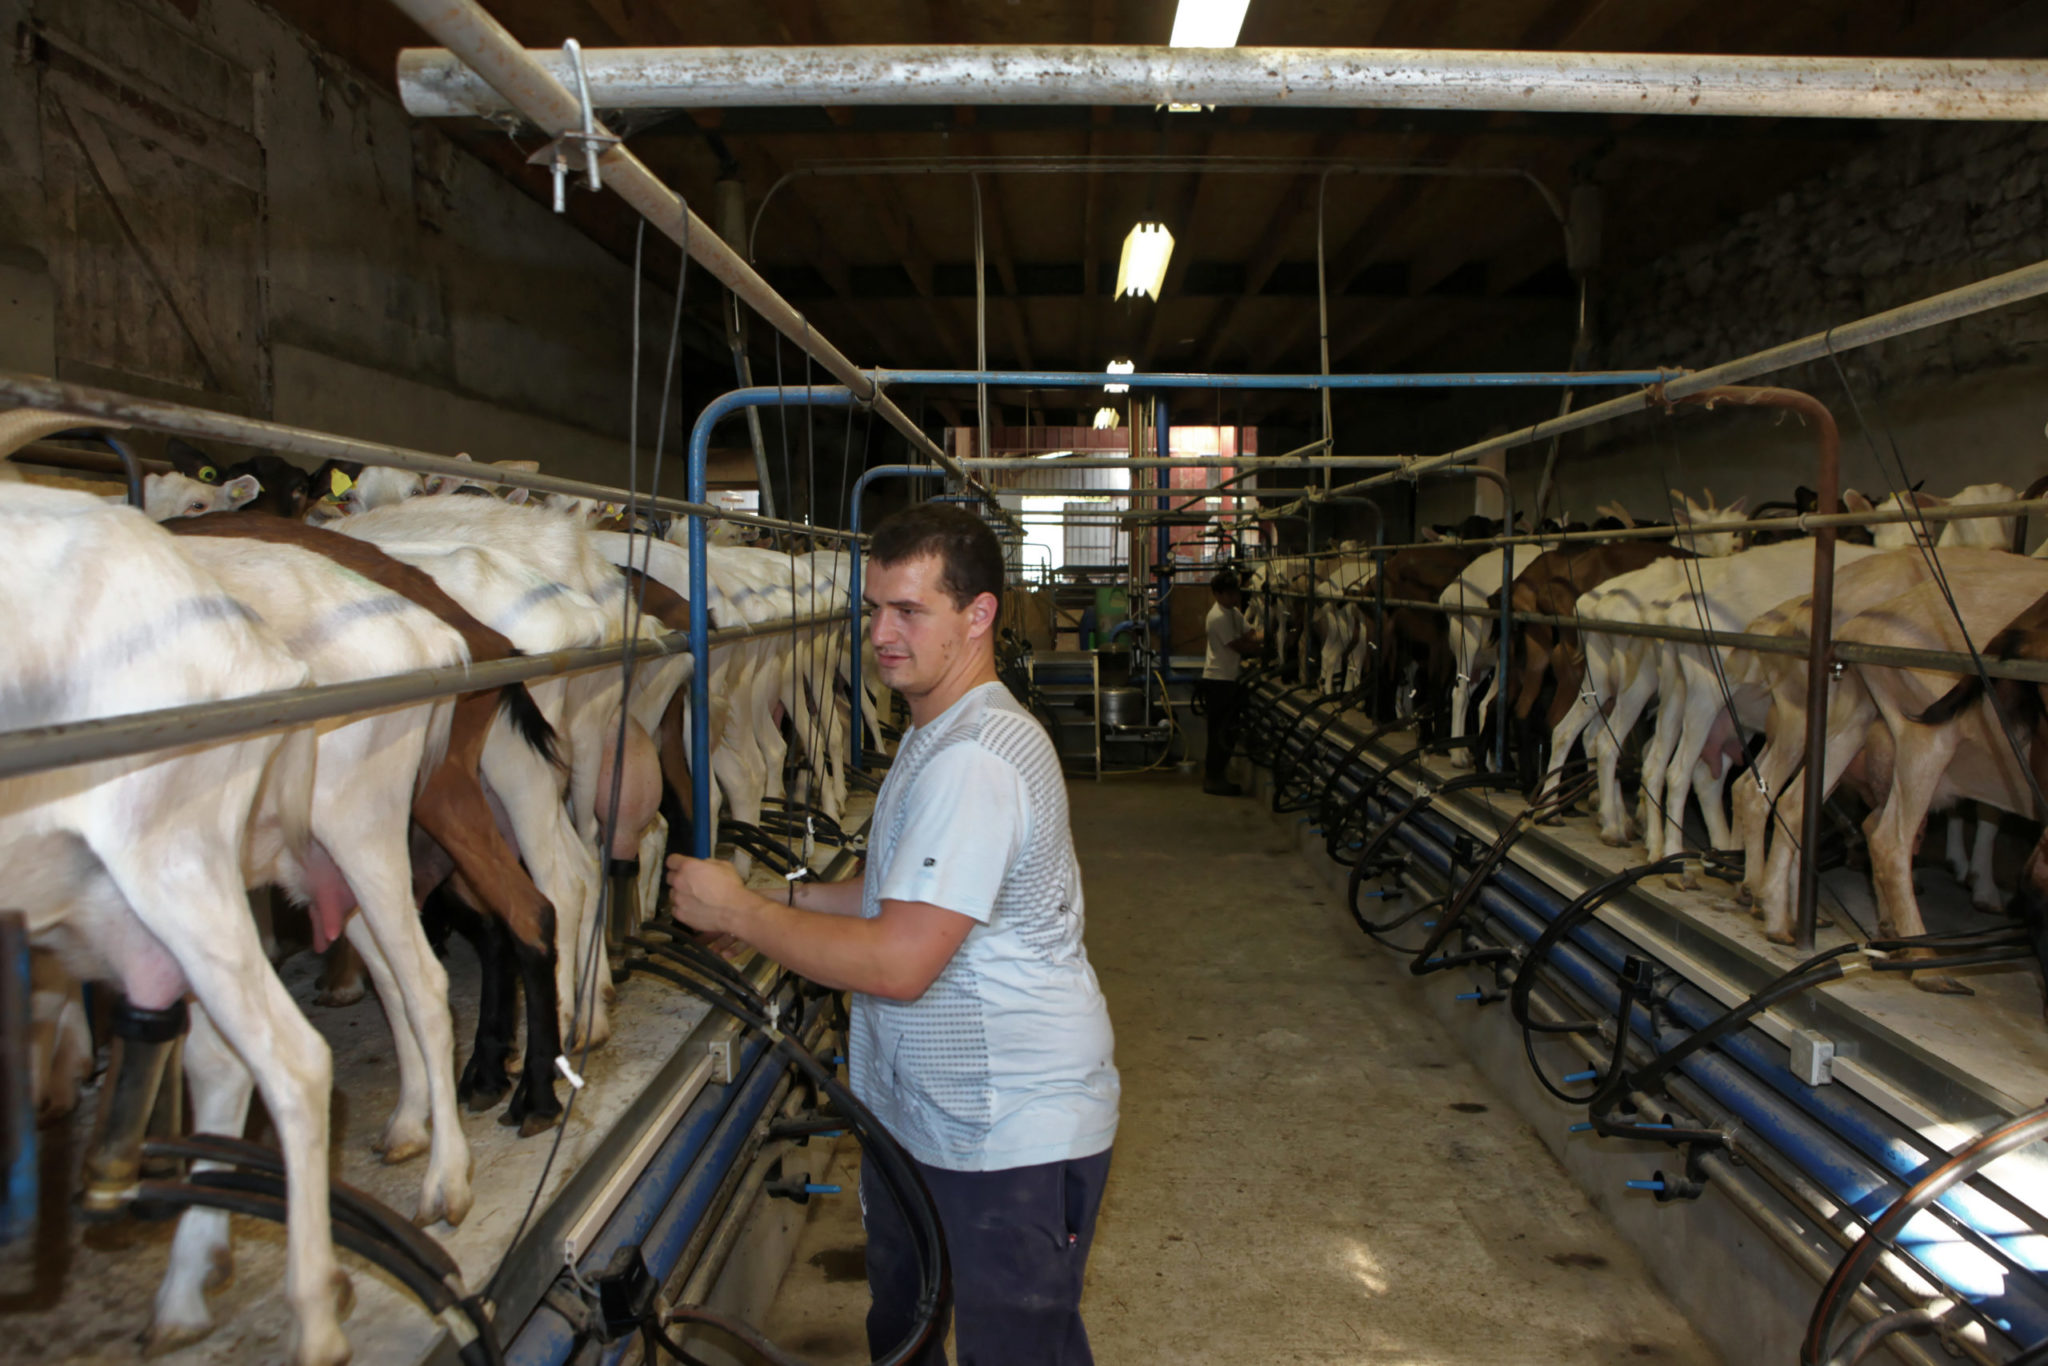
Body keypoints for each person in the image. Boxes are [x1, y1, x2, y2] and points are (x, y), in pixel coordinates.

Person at [666, 501, 1120, 1366]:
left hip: (1007, 1130)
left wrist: (740, 913)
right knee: (905, 1330)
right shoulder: (931, 730)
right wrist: (773, 895)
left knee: (1014, 1349)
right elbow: (892, 894)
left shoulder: (975, 760)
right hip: (927, 1117)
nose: (881, 633)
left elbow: (902, 960)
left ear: (978, 615)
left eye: (909, 611)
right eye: (873, 609)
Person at [1200, 570, 1263, 796]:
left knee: (1226, 732)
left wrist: (1268, 635)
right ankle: (1213, 779)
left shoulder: (1233, 612)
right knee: (1219, 733)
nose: (1233, 597)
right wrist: (1264, 650)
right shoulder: (1217, 616)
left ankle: (1218, 776)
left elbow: (1249, 633)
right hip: (1218, 681)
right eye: (1228, 594)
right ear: (1217, 594)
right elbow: (1238, 645)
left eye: (1235, 593)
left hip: (1229, 678)